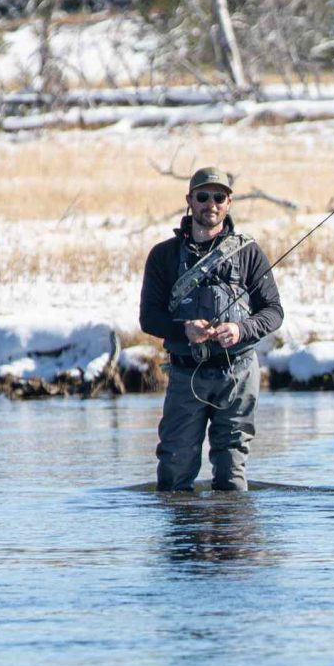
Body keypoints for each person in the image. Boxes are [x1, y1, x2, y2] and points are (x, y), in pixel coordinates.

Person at [138, 166, 284, 491]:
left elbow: (273, 312)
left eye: (219, 197)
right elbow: (149, 318)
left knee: (232, 474)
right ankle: (183, 539)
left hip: (238, 374)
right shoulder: (163, 256)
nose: (211, 204)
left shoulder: (248, 253)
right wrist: (183, 329)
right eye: (203, 196)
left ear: (229, 202)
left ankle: (231, 539)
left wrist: (241, 329)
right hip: (185, 373)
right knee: (174, 472)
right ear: (189, 201)